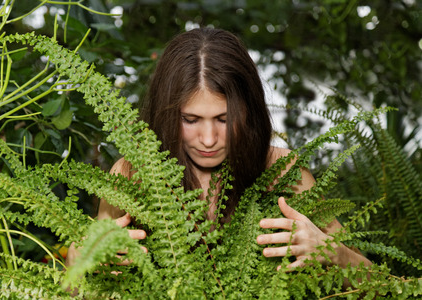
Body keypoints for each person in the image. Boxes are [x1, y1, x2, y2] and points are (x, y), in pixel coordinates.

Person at [66, 27, 371, 271]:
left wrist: (336, 255)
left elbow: (386, 286)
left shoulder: (283, 173)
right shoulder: (133, 175)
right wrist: (78, 261)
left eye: (224, 119)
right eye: (191, 119)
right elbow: (79, 288)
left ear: (248, 113)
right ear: (166, 115)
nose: (209, 139)